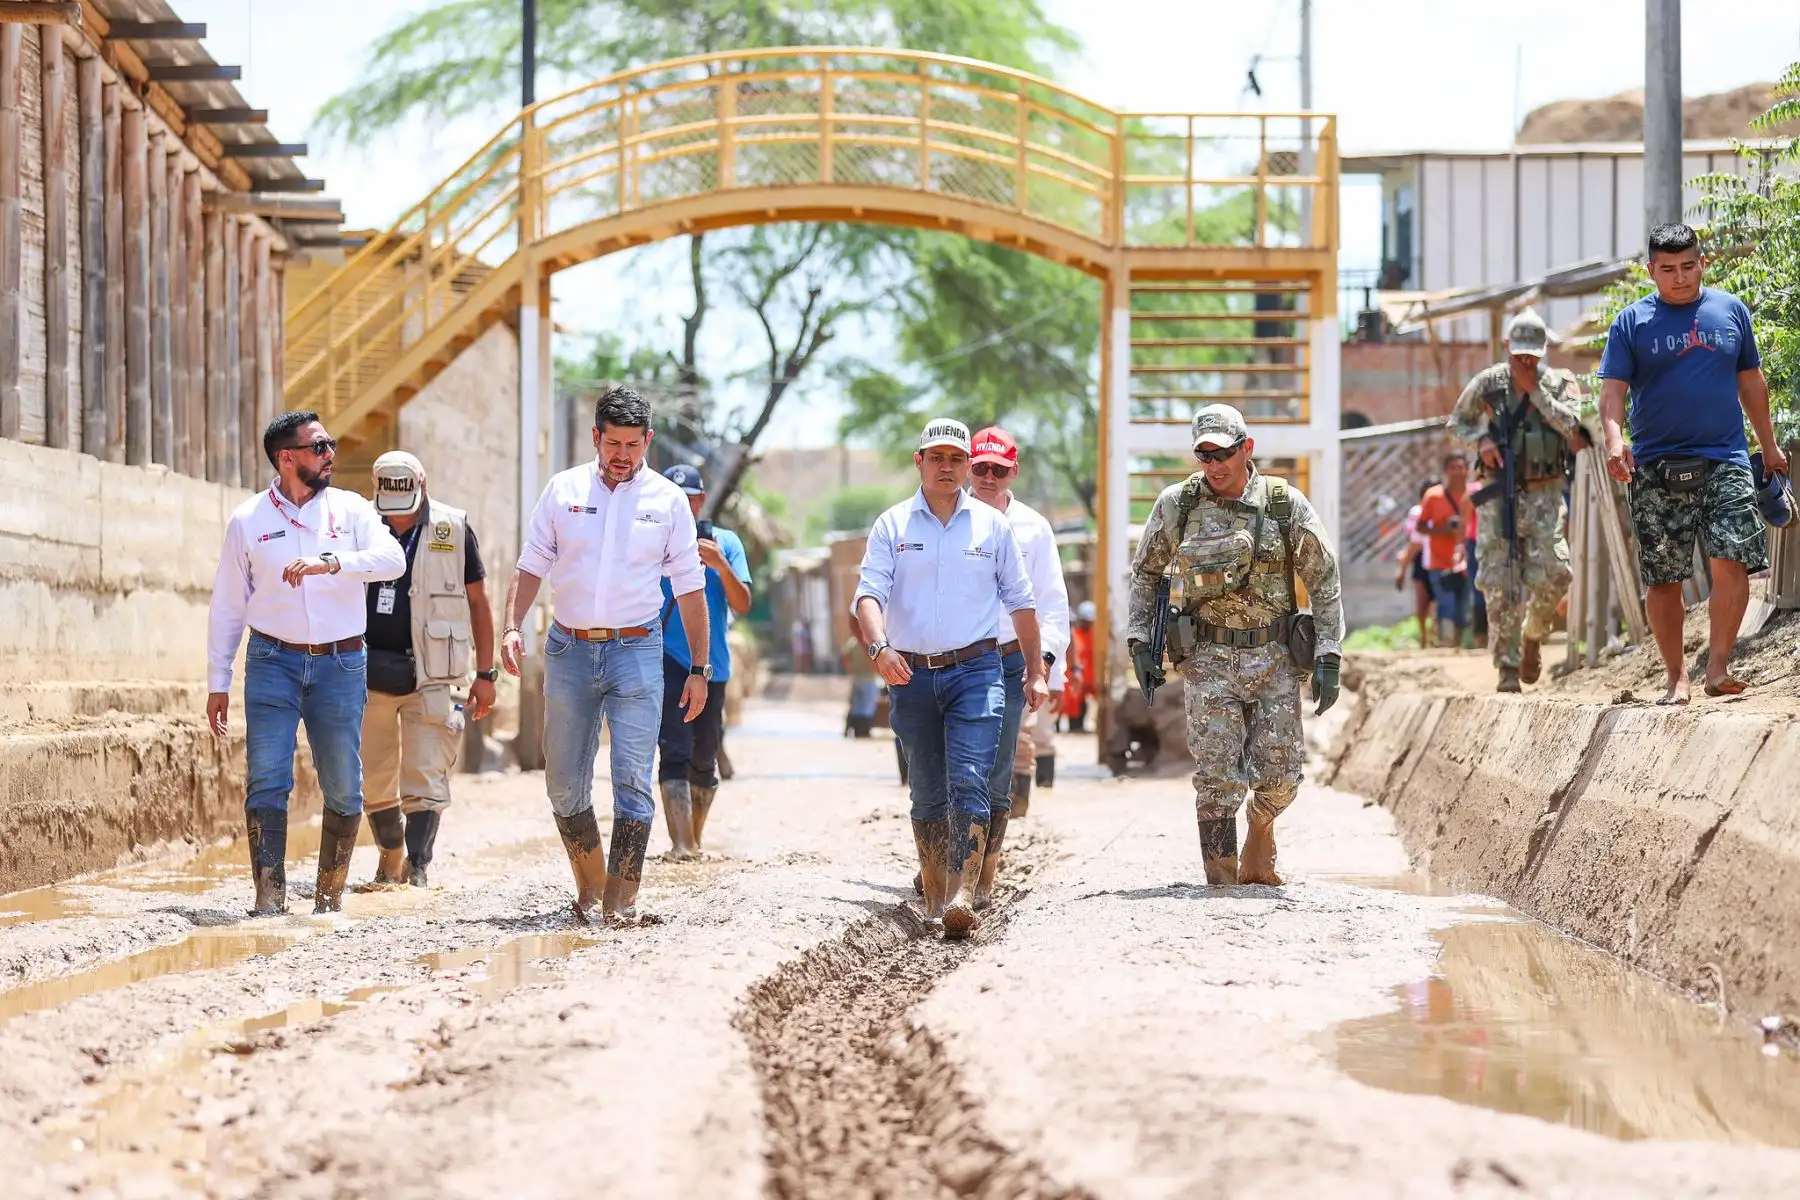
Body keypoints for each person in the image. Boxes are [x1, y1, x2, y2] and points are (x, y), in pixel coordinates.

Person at [501, 387, 711, 924]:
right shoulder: (562, 489)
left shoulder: (666, 502)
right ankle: (592, 883)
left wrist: (699, 669)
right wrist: (510, 626)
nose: (622, 454)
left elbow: (690, 586)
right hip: (569, 649)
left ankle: (623, 900)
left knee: (632, 776)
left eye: (633, 445)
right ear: (596, 437)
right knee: (564, 783)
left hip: (637, 650)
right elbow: (532, 564)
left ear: (648, 442)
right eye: (612, 442)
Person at [1126, 403, 1343, 887]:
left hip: (1276, 661)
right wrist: (1140, 641)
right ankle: (1221, 883)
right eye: (1204, 455)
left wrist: (1329, 652)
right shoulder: (1178, 505)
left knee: (1283, 777)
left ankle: (1260, 829)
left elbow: (1323, 578)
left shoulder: (1284, 504)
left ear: (1247, 448)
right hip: (1207, 662)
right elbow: (1145, 574)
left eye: (1223, 453)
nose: (1214, 465)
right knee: (1217, 778)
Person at [854, 417, 1048, 939]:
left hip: (978, 670)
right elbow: (868, 595)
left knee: (970, 777)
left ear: (966, 466)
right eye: (936, 457)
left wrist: (1035, 670)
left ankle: (963, 894)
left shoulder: (993, 527)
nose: (947, 467)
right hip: (910, 675)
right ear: (919, 462)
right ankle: (936, 893)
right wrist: (879, 646)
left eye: (955, 459)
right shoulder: (892, 526)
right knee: (926, 787)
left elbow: (1024, 602)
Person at [205, 411, 406, 916]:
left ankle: (327, 899)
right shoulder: (248, 520)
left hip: (341, 665)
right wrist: (217, 681)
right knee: (267, 778)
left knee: (342, 782)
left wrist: (333, 562)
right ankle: (269, 901)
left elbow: (393, 560)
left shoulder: (352, 509)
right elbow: (228, 605)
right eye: (319, 447)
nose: (330, 454)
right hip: (271, 661)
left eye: (330, 445)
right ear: (286, 457)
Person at [1599, 222, 1788, 704]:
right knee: (1664, 576)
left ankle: (1718, 666)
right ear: (1651, 272)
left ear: (1702, 262)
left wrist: (1768, 445)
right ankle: (1675, 676)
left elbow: (1752, 382)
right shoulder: (1631, 323)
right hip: (1656, 467)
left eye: (1688, 266)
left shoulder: (1731, 312)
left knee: (1733, 562)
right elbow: (1612, 392)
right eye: (1668, 269)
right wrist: (1615, 440)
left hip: (1725, 458)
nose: (1680, 277)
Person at [357, 451, 498, 889]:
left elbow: (479, 603)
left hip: (434, 675)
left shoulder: (453, 528)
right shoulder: (359, 525)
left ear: (422, 482)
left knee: (426, 775)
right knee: (372, 778)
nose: (397, 519)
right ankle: (391, 855)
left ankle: (415, 869)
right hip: (366, 676)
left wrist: (486, 674)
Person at [1448, 307, 1589, 692]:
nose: (1525, 361)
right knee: (1500, 581)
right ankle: (1507, 667)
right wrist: (1482, 438)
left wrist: (1535, 393)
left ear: (1543, 352)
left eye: (1532, 355)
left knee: (1557, 573)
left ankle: (1532, 633)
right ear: (1506, 347)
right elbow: (1456, 422)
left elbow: (1571, 425)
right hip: (1499, 496)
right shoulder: (1489, 382)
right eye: (1518, 354)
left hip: (1545, 496)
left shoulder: (1561, 382)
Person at [966, 426, 1070, 850]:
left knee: (998, 765)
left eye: (999, 469)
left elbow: (1052, 604)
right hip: (959, 661)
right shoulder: (949, 519)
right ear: (968, 468)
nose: (989, 478)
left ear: (1014, 471)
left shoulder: (1034, 528)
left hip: (1011, 662)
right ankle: (948, 860)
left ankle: (983, 864)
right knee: (957, 765)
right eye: (981, 468)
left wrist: (1045, 668)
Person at [655, 463, 752, 859]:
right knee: (673, 748)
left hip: (713, 664)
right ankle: (681, 844)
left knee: (705, 754)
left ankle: (695, 835)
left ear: (700, 501)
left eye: (689, 500)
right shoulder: (650, 539)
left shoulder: (725, 542)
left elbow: (743, 604)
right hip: (666, 657)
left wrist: (719, 564)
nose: (683, 506)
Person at [1417, 453, 1477, 649]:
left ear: (1467, 470)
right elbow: (1421, 526)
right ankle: (1446, 644)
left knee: (1463, 607)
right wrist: (1445, 530)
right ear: (1445, 471)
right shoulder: (1433, 496)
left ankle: (1459, 646)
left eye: (1461, 467)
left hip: (1469, 562)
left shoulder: (1476, 494)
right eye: (1453, 467)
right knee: (1446, 604)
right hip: (1439, 562)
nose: (1457, 471)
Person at [1393, 479, 1436, 649]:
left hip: (1439, 556)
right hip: (1421, 557)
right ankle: (1425, 638)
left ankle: (1433, 637)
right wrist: (1402, 568)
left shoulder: (1444, 508)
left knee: (1437, 600)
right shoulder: (1417, 512)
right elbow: (1413, 542)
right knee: (1423, 600)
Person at [1059, 601, 1096, 733]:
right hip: (1067, 677)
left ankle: (1077, 727)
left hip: (1084, 678)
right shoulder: (1075, 635)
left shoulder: (1093, 636)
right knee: (1063, 702)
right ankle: (1058, 728)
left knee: (1079, 704)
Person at [842, 621, 881, 737]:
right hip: (870, 679)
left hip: (857, 678)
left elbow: (844, 657)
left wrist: (851, 668)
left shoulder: (852, 642)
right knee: (867, 707)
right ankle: (864, 731)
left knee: (857, 706)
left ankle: (853, 730)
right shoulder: (870, 642)